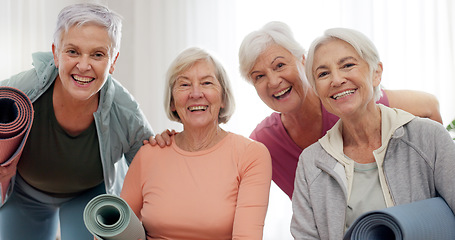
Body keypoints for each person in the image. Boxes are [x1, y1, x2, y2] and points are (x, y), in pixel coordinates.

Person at [152, 21, 442, 200]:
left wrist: (434, 187)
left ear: (302, 60)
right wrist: (173, 143)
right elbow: (219, 178)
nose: (274, 81)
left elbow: (429, 106)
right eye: (259, 76)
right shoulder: (265, 141)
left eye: (280, 65)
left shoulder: (344, 100)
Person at [0, 3, 154, 240]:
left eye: (98, 54)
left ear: (113, 61)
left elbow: (153, 175)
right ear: (55, 53)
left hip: (89, 197)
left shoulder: (127, 114)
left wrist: (169, 144)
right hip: (24, 193)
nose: (84, 65)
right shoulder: (18, 92)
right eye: (73, 51)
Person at [290, 27, 455, 239]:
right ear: (316, 89)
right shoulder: (311, 162)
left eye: (348, 65)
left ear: (376, 73)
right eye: (323, 74)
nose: (337, 80)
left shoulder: (428, 138)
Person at [120, 47, 272, 239]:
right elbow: (114, 228)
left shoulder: (250, 155)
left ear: (223, 97)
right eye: (184, 85)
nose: (196, 93)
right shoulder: (149, 154)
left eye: (207, 83)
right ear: (173, 102)